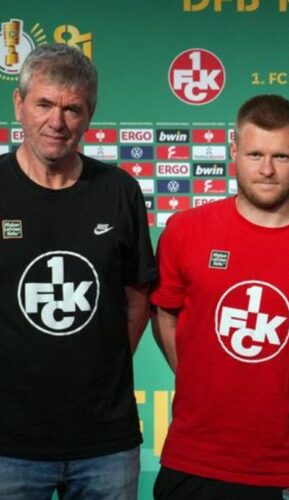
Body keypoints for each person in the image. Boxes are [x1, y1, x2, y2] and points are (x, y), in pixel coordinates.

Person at [150, 94, 289, 498]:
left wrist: (288, 387)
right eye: (254, 154)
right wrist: (200, 381)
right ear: (233, 150)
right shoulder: (185, 231)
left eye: (281, 157)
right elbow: (164, 313)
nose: (266, 170)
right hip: (194, 459)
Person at [0, 44, 155, 499]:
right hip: (8, 444)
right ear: (19, 105)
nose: (57, 121)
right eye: (45, 104)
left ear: (90, 115)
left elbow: (138, 296)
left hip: (105, 443)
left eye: (73, 109)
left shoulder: (119, 191)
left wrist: (98, 363)